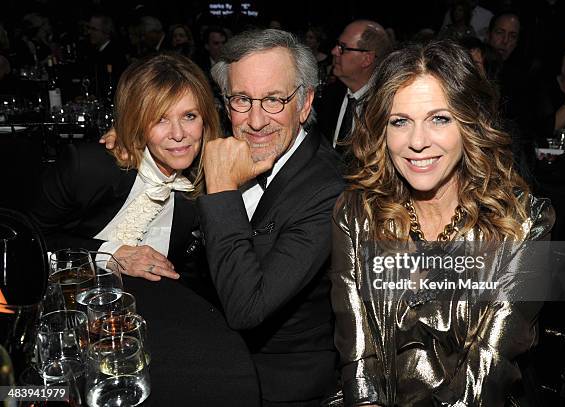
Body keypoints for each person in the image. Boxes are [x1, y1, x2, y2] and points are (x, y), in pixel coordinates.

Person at [329, 40, 555, 405]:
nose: (417, 142)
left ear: (470, 123)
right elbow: (358, 357)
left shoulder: (525, 223)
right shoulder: (356, 213)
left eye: (439, 119)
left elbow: (488, 368)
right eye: (400, 122)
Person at [198, 29, 344, 405]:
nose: (256, 121)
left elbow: (248, 307)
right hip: (216, 353)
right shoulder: (226, 150)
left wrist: (221, 189)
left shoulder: (328, 187)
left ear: (305, 102)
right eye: (242, 99)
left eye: (274, 100)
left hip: (277, 386)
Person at [29, 53, 220, 281]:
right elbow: (30, 239)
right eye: (160, 119)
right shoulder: (88, 167)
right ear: (136, 120)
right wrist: (107, 254)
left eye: (190, 116)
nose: (178, 134)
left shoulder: (209, 181)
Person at [315, 20, 391, 156]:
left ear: (367, 59)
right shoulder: (329, 95)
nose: (333, 51)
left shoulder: (387, 109)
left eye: (342, 48)